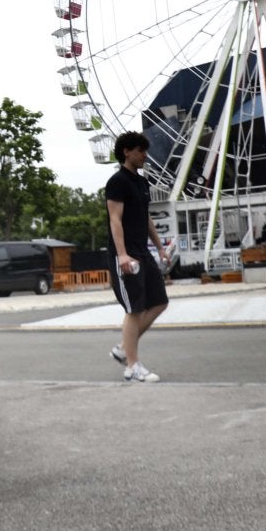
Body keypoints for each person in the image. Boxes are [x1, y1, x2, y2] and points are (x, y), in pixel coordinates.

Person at [105, 131, 169, 382]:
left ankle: (123, 348)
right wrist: (122, 255)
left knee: (159, 301)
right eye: (141, 151)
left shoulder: (142, 183)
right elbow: (115, 219)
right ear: (126, 152)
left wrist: (160, 247)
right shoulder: (117, 181)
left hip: (143, 252)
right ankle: (132, 367)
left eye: (145, 151)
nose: (145, 155)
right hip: (126, 255)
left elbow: (146, 217)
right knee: (134, 309)